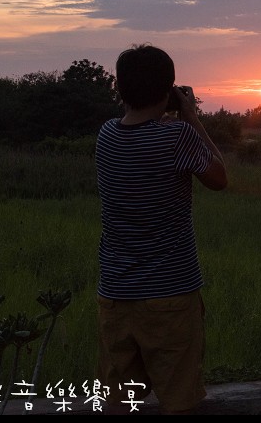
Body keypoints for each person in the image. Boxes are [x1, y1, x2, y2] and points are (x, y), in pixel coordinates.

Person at [95, 44, 228, 414]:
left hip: (116, 296)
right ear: (168, 89)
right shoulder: (177, 138)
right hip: (170, 297)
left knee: (119, 402)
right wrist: (192, 117)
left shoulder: (106, 136)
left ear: (119, 89)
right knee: (179, 401)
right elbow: (219, 177)